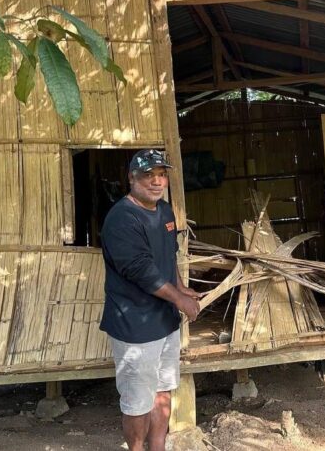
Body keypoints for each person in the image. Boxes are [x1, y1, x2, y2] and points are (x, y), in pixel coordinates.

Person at [100, 149, 202, 451]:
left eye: (161, 174)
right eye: (148, 175)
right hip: (135, 326)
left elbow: (168, 257)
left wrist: (180, 289)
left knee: (162, 389)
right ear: (132, 178)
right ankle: (136, 449)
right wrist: (180, 301)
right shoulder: (122, 218)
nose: (157, 181)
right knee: (137, 399)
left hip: (164, 321)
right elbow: (141, 271)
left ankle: (157, 446)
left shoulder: (165, 211)